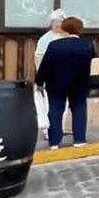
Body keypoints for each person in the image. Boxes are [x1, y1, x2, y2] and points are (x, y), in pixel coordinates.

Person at [36, 17, 95, 150]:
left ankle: (54, 142)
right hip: (79, 84)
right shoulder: (86, 45)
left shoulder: (54, 45)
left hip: (55, 84)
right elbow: (93, 64)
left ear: (64, 28)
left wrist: (39, 81)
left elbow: (45, 66)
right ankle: (79, 139)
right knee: (79, 110)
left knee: (55, 112)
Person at [34, 9, 68, 141]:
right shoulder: (45, 39)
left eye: (61, 22)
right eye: (56, 22)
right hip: (50, 76)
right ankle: (49, 129)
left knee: (63, 105)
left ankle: (61, 127)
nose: (58, 25)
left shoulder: (67, 37)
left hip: (65, 76)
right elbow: (39, 59)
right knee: (49, 104)